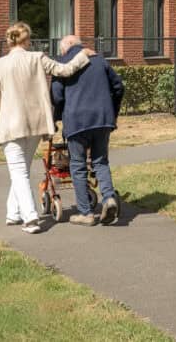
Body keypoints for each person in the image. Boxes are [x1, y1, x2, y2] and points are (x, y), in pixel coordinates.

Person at [0, 22, 94, 234]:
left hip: (11, 126)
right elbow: (65, 70)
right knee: (22, 170)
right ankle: (13, 213)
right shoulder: (38, 58)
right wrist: (82, 55)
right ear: (26, 40)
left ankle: (30, 218)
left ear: (10, 40)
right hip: (35, 125)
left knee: (18, 172)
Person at [51, 35, 124, 226]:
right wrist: (112, 112)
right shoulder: (99, 60)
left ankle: (86, 212)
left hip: (76, 121)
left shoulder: (62, 62)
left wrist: (57, 118)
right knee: (100, 161)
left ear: (65, 48)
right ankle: (108, 198)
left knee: (78, 164)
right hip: (102, 119)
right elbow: (118, 87)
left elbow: (57, 96)